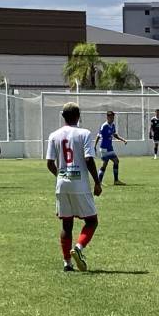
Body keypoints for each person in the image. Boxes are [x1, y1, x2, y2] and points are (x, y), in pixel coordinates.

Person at [46, 102, 103, 272]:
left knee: (66, 224)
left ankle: (67, 263)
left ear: (63, 117)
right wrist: (97, 182)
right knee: (92, 221)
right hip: (80, 184)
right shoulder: (84, 133)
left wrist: (61, 176)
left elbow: (49, 163)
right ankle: (78, 248)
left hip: (62, 184)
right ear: (78, 116)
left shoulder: (54, 135)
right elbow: (88, 159)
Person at [94, 110, 127, 185]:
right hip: (104, 148)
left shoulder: (112, 125)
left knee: (106, 164)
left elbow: (114, 135)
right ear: (107, 117)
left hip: (109, 148)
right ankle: (114, 181)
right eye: (111, 117)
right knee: (115, 161)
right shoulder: (104, 126)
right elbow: (98, 136)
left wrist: (122, 140)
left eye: (113, 117)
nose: (112, 119)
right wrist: (94, 146)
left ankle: (100, 181)